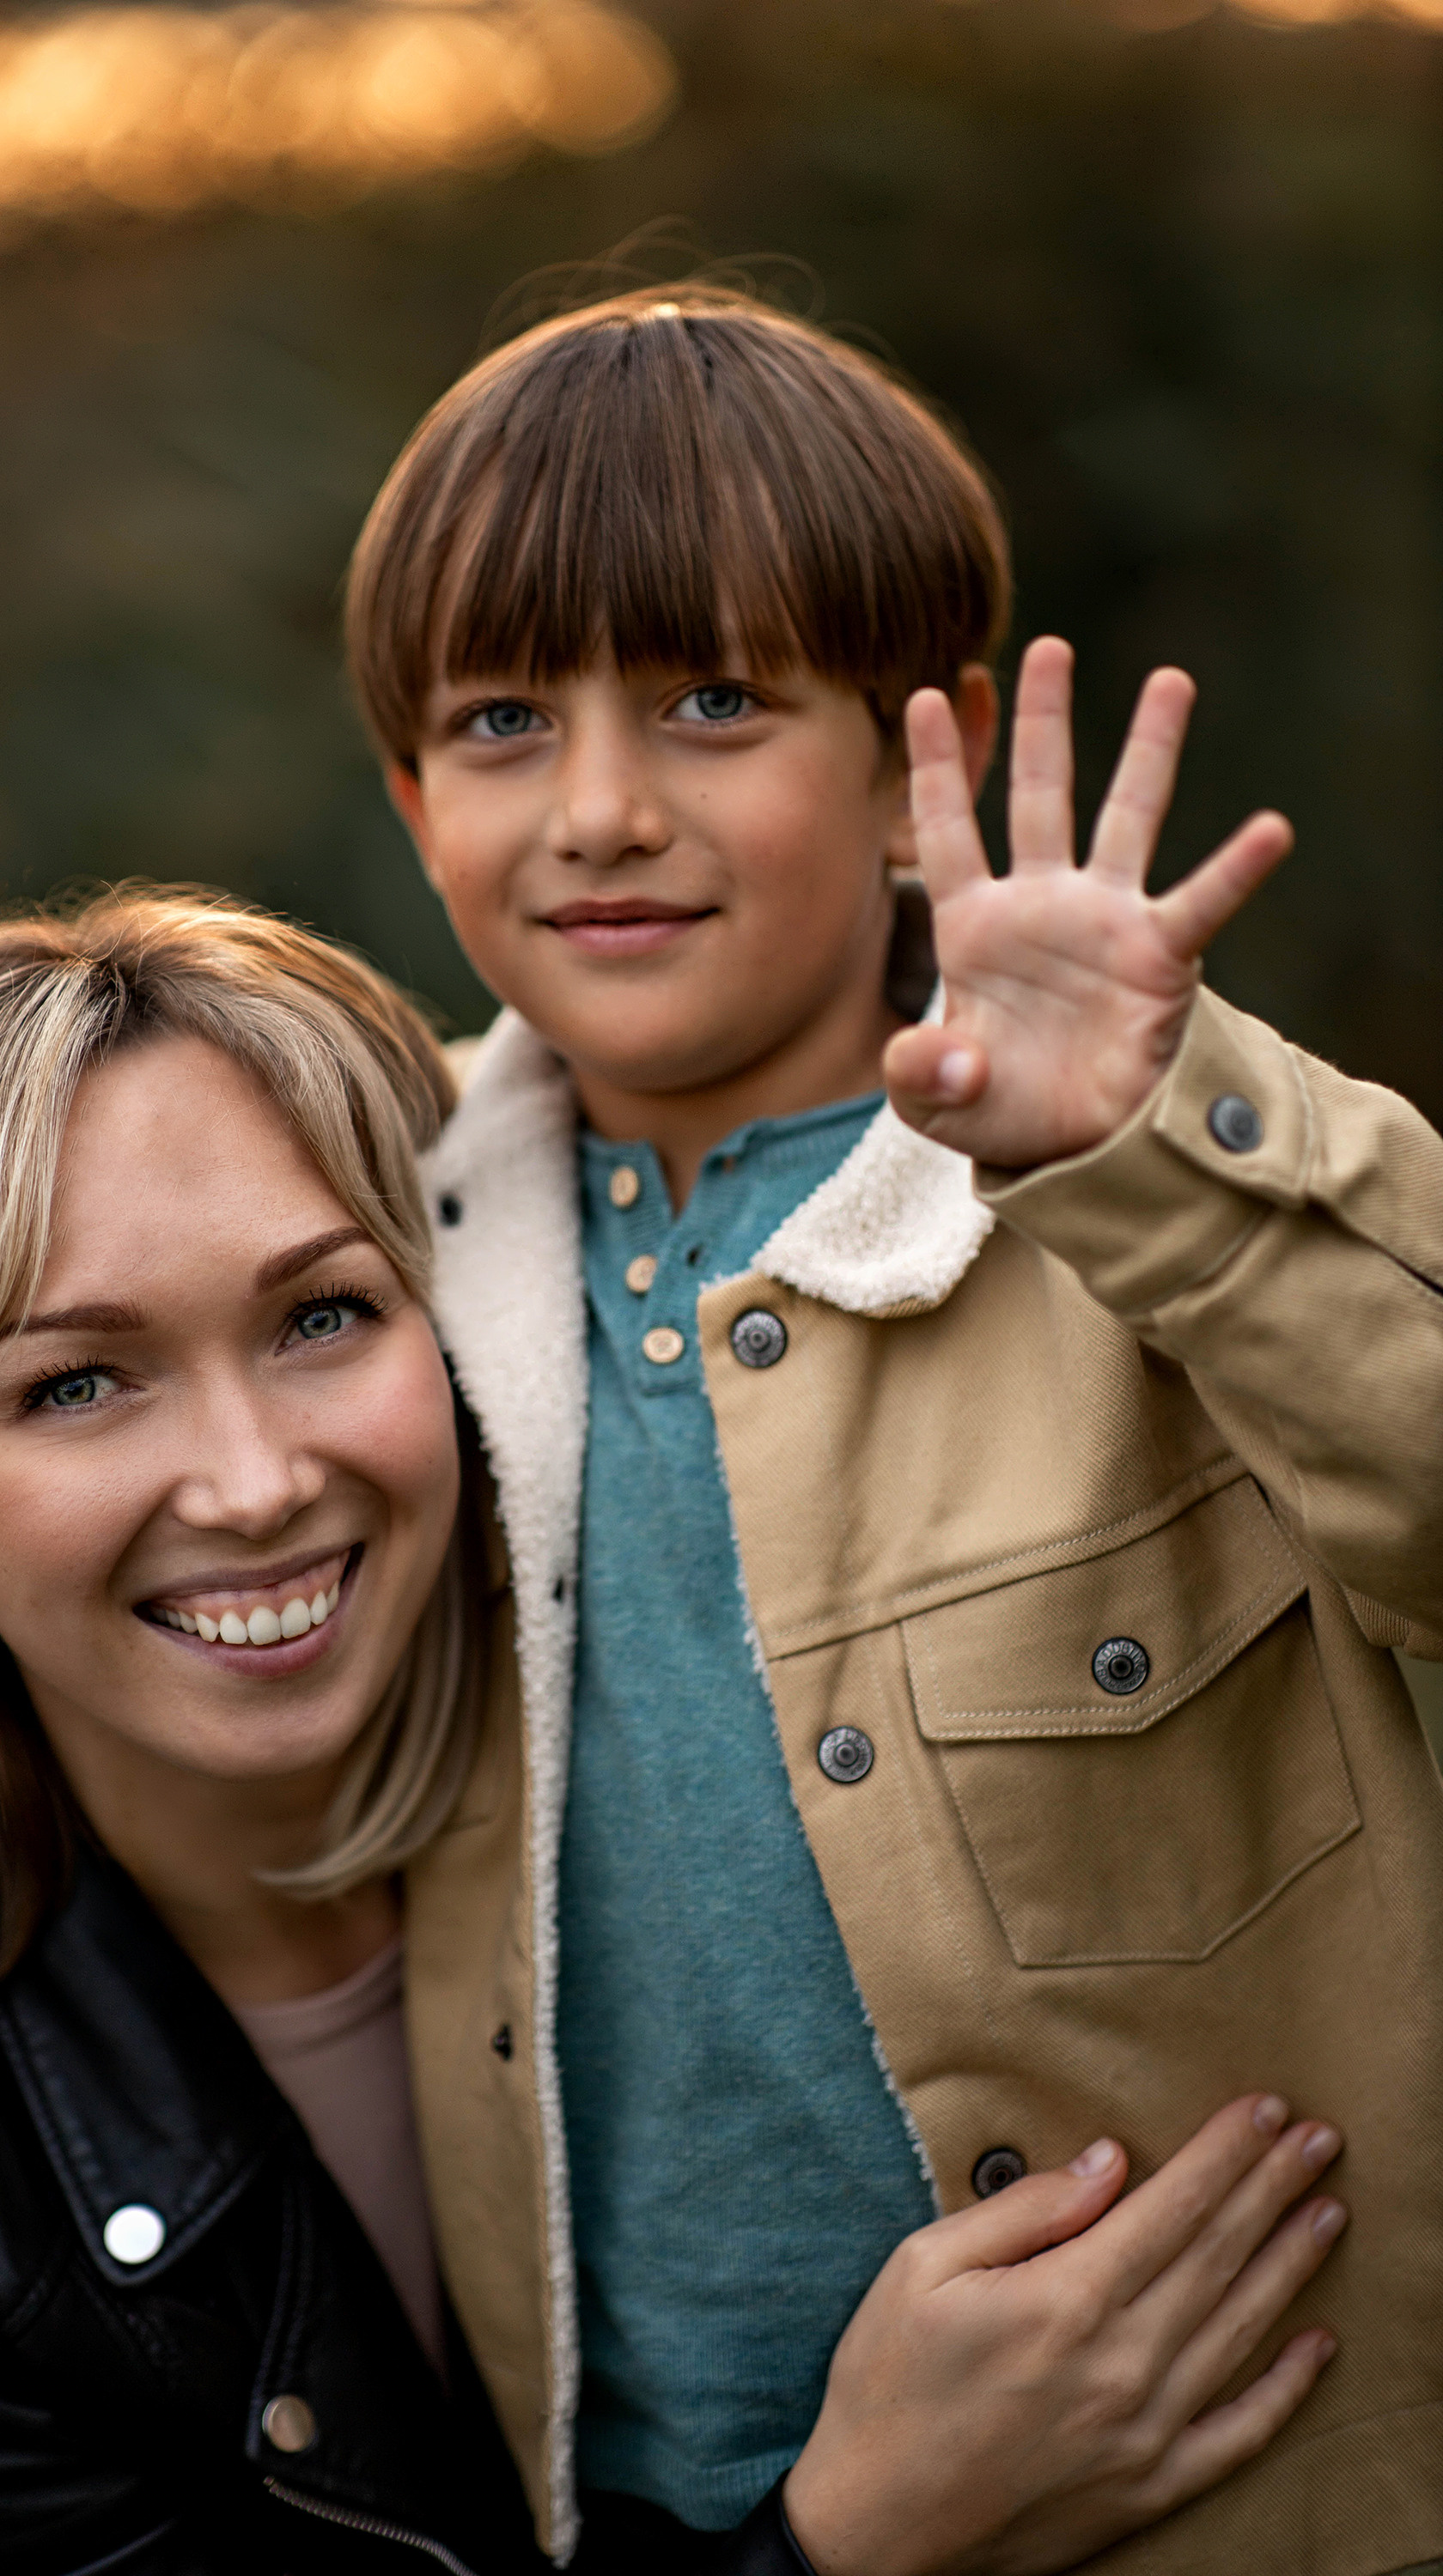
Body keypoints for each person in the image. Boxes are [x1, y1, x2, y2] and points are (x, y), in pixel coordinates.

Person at [344, 287, 1443, 2574]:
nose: (607, 810)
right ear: (405, 794)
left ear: (908, 752)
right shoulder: (357, 1280)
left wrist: (1165, 1156)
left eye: (719, 702)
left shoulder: (1152, 1183)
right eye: (502, 722)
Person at [0, 890, 555, 2573]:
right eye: (78, 1384)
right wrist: (844, 2541)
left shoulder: (742, 1810)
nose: (253, 1484)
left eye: (323, 1314)